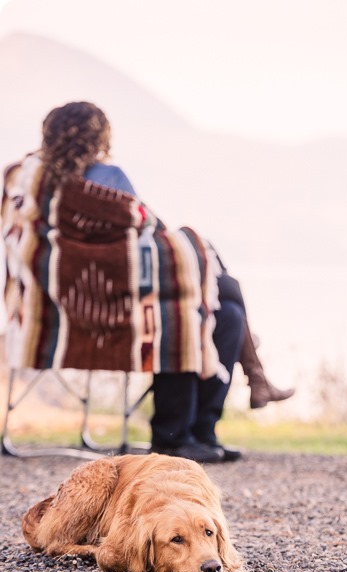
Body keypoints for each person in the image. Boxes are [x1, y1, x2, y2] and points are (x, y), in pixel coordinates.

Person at [3, 101, 293, 463]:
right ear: (99, 137)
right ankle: (180, 432)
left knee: (227, 313)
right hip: (113, 307)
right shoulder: (106, 178)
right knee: (193, 302)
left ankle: (202, 432)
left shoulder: (25, 181)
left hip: (51, 310)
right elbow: (150, 230)